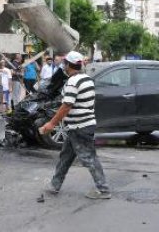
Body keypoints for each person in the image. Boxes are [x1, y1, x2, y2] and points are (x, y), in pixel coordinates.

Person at [39, 51, 110, 199]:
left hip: (80, 127)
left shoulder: (73, 81)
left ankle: (103, 190)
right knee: (65, 157)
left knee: (89, 158)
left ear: (67, 65)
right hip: (78, 127)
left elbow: (66, 106)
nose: (63, 66)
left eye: (64, 63)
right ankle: (55, 185)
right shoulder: (87, 79)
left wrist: (51, 123)